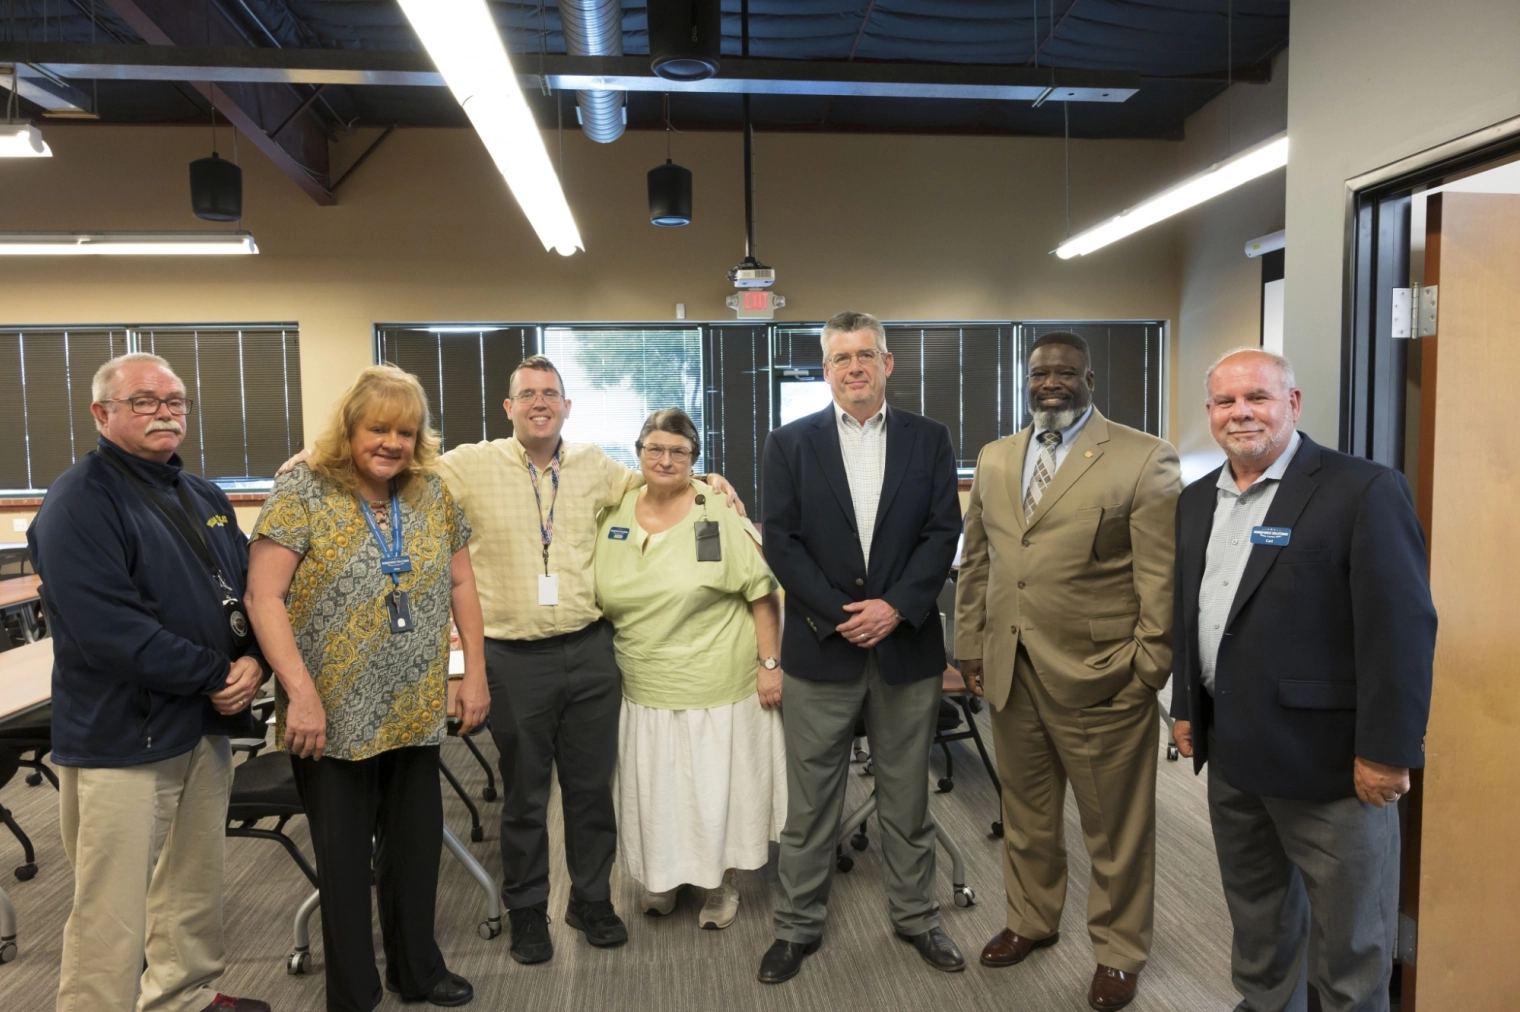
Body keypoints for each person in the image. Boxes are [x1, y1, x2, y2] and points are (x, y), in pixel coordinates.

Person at [1170, 349, 1435, 1012]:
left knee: (1351, 945)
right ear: (1209, 413)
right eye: (1226, 402)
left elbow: (1401, 631)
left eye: (1257, 397)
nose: (1240, 413)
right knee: (1258, 922)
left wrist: (1388, 749)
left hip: (1333, 769)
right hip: (1233, 755)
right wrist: (1186, 709)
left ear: (1292, 404)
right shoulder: (1197, 499)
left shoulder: (1362, 490)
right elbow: (1191, 611)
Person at [28, 352, 270, 1012]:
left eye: (176, 402)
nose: (166, 412)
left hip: (201, 723)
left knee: (194, 883)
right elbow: (109, 629)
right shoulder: (77, 502)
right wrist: (218, 672)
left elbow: (250, 591)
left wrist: (258, 663)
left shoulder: (200, 494)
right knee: (111, 909)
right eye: (145, 401)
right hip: (123, 735)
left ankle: (183, 997)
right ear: (102, 413)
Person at [246, 365, 488, 1011]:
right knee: (346, 865)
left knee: (414, 851)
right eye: (378, 427)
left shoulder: (431, 495)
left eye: (405, 431)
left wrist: (475, 678)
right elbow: (263, 596)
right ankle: (353, 993)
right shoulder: (301, 492)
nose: (392, 442)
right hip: (328, 714)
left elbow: (462, 584)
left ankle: (419, 971)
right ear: (350, 428)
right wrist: (298, 692)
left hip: (412, 705)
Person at [955, 330, 1180, 1011]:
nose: (1050, 382)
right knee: (1025, 813)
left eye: (1064, 372)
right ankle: (1030, 919)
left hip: (1103, 674)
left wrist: (1147, 666)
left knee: (1114, 826)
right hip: (1009, 668)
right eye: (1039, 373)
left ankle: (1119, 950)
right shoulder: (996, 458)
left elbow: (1160, 577)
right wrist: (970, 643)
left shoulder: (1143, 458)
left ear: (1088, 379)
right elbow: (980, 559)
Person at [758, 311, 964, 984]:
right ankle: (796, 927)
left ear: (887, 363)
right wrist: (842, 613)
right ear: (826, 370)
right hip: (822, 648)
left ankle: (918, 917)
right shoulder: (789, 443)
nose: (854, 367)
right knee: (812, 802)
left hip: (905, 650)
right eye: (841, 357)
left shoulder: (929, 440)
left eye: (865, 355)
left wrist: (896, 608)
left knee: (907, 798)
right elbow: (781, 543)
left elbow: (941, 534)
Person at [594, 408, 785, 930]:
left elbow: (763, 592)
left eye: (678, 451)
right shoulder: (614, 510)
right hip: (642, 679)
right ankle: (663, 877)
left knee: (708, 792)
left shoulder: (717, 509)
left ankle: (720, 884)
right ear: (638, 453)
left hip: (714, 681)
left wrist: (770, 665)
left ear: (694, 460)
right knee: (657, 791)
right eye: (654, 448)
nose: (665, 459)